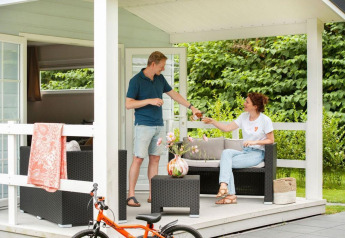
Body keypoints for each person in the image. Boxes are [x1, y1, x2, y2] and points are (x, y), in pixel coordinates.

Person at [126, 51, 200, 207]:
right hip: (143, 125)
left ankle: (153, 195)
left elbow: (174, 94)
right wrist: (150, 101)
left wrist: (191, 107)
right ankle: (131, 195)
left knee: (155, 159)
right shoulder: (136, 81)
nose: (163, 69)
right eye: (162, 66)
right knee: (138, 159)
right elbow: (129, 104)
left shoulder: (159, 79)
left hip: (159, 125)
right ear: (153, 64)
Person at [202, 92, 274, 204]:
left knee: (225, 163)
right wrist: (213, 121)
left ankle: (228, 193)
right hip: (245, 152)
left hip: (257, 154)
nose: (244, 103)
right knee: (226, 153)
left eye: (247, 102)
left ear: (255, 106)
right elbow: (227, 128)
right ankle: (225, 187)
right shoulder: (243, 117)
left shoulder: (265, 120)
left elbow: (271, 140)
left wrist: (254, 142)